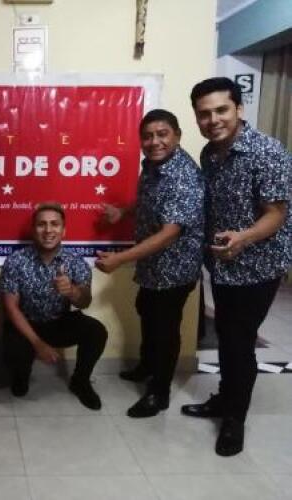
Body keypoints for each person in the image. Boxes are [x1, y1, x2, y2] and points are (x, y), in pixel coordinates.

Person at [181, 77, 292, 456]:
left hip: (258, 266)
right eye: (204, 114)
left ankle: (234, 419)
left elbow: (276, 214)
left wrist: (243, 238)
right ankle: (224, 399)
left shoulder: (267, 152)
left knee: (238, 342)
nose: (213, 120)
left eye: (221, 110)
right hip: (222, 264)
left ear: (239, 109)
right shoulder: (209, 154)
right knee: (227, 335)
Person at [96, 109, 204, 418]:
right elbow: (149, 201)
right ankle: (147, 365)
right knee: (146, 310)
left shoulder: (182, 176)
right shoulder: (154, 166)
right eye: (147, 136)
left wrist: (120, 259)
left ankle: (159, 393)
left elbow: (170, 232)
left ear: (177, 136)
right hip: (153, 266)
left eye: (162, 134)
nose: (154, 141)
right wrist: (123, 212)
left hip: (175, 268)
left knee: (164, 329)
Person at [0, 203, 107, 410]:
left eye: (54, 224)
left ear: (63, 230)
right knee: (13, 351)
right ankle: (21, 375)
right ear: (34, 230)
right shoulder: (15, 261)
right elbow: (11, 308)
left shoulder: (75, 262)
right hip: (26, 323)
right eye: (42, 224)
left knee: (96, 331)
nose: (48, 230)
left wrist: (72, 291)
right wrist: (38, 343)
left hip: (59, 322)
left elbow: (85, 301)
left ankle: (80, 381)